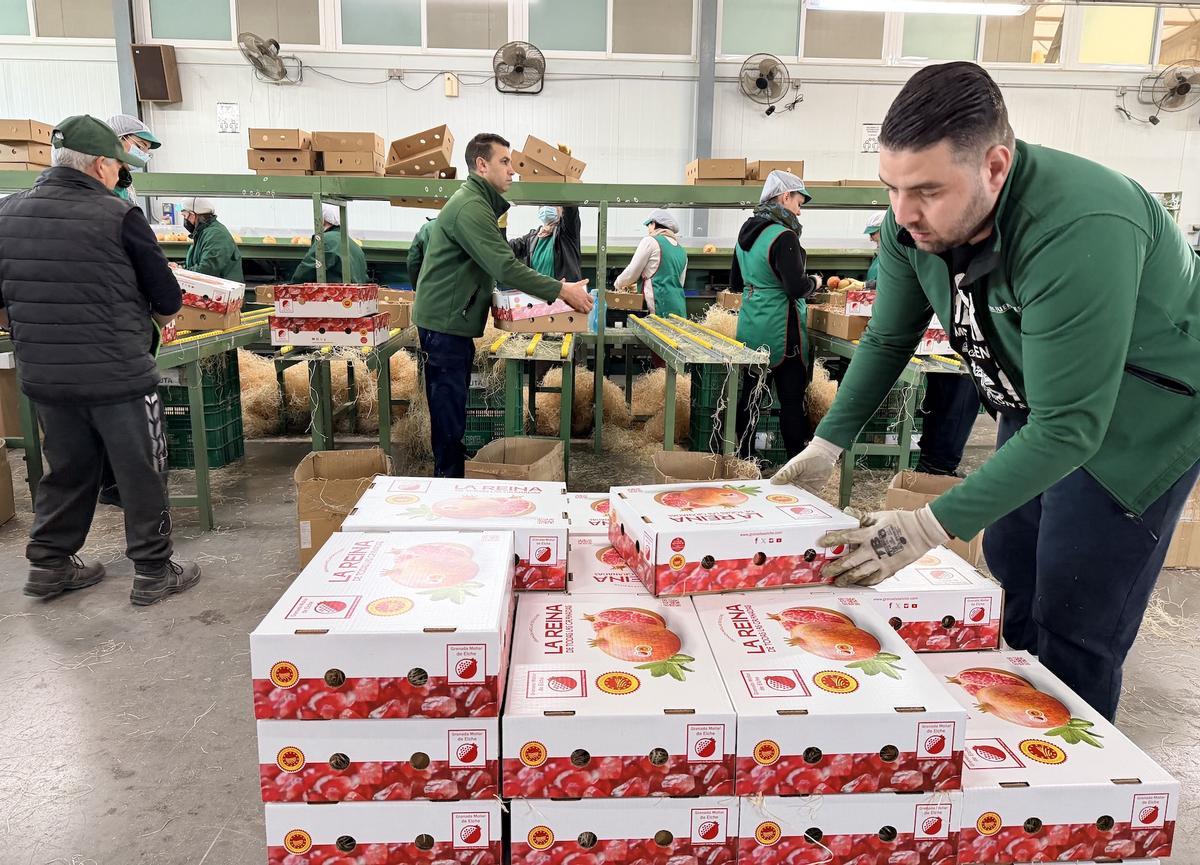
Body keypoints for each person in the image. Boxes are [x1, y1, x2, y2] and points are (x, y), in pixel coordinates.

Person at [775, 62, 1200, 722]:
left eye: (926, 190)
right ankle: (1016, 731)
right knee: (1012, 565)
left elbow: (1072, 426)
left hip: (1135, 413)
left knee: (1074, 602)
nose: (903, 212)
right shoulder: (913, 223)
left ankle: (1069, 792)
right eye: (891, 187)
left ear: (996, 167)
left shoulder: (1079, 224)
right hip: (1035, 396)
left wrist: (923, 526)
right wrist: (826, 445)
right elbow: (888, 338)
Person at [0, 115, 201, 605]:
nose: (118, 175)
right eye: (117, 165)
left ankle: (49, 563)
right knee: (140, 468)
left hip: (45, 375)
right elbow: (167, 296)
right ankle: (154, 570)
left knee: (67, 466)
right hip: (118, 375)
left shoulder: (7, 213)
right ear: (101, 164)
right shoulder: (117, 216)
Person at [412, 132, 592, 478]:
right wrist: (561, 290)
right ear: (482, 164)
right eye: (505, 162)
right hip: (445, 324)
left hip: (452, 322)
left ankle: (452, 474)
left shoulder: (478, 205)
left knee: (450, 407)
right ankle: (448, 484)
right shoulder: (470, 208)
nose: (512, 170)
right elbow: (504, 266)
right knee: (447, 411)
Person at [864, 211, 981, 476]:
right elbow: (886, 338)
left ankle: (936, 466)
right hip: (945, 340)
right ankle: (934, 467)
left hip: (959, 344)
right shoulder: (906, 243)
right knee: (948, 399)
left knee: (955, 396)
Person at [731, 170, 821, 460]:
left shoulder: (745, 235)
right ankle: (796, 459)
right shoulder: (784, 236)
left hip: (752, 323)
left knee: (751, 396)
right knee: (792, 399)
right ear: (785, 197)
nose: (800, 208)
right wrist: (816, 283)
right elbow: (795, 288)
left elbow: (735, 283)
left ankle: (745, 458)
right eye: (798, 201)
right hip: (782, 331)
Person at [613, 208, 688, 318]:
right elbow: (679, 283)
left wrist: (618, 284)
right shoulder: (682, 251)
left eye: (648, 224)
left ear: (654, 224)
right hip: (679, 308)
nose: (648, 229)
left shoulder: (650, 241)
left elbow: (632, 273)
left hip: (658, 308)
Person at [290, 203, 368, 284]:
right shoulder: (352, 244)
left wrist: (292, 287)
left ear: (322, 219)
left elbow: (307, 269)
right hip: (354, 295)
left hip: (337, 295)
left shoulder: (325, 241)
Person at [509, 205, 582, 281]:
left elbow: (571, 208)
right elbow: (504, 247)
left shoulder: (567, 232)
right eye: (543, 205)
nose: (547, 207)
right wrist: (501, 223)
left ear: (562, 210)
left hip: (564, 291)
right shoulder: (531, 238)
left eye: (553, 204)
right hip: (540, 291)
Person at [180, 197, 244, 282]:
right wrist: (180, 267)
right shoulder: (202, 232)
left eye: (185, 216)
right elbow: (196, 262)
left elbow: (206, 270)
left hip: (223, 289)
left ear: (192, 215)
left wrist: (182, 272)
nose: (185, 220)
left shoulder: (216, 235)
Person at [106, 113, 160, 202]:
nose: (143, 154)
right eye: (140, 146)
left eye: (147, 151)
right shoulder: (99, 181)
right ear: (118, 139)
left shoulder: (124, 185)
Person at [407, 216, 436, 287]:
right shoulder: (462, 227)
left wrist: (417, 287)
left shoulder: (427, 228)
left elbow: (413, 261)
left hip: (429, 289)